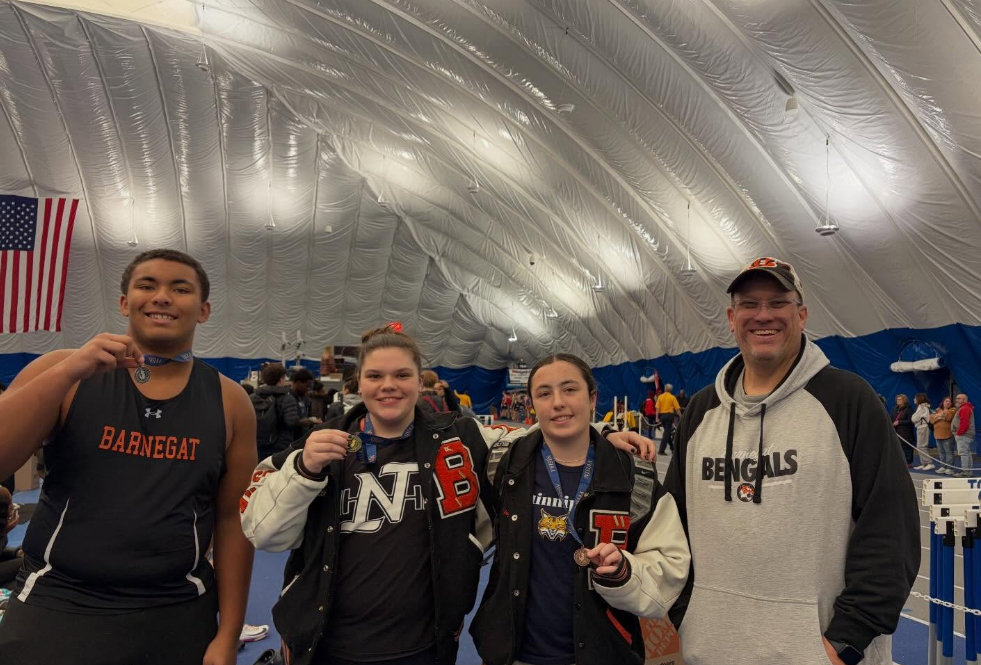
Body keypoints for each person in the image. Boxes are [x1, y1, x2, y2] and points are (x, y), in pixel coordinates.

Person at [240, 325, 655, 665]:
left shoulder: (461, 440)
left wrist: (601, 436)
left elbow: (544, 433)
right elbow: (263, 533)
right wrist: (303, 471)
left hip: (425, 645)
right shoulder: (319, 448)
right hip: (326, 643)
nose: (389, 386)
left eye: (402, 375)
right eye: (375, 376)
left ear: (420, 382)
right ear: (359, 383)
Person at [0, 248, 257, 665]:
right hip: (58, 600)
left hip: (176, 608)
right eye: (147, 285)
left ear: (204, 310)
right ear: (124, 302)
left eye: (180, 288)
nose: (162, 297)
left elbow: (233, 519)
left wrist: (228, 634)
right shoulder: (65, 370)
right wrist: (67, 373)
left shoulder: (230, 401)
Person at [664, 257, 918, 665]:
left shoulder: (849, 400)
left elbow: (892, 532)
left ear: (801, 314)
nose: (763, 315)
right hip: (709, 651)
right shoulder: (700, 411)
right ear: (732, 318)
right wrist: (687, 618)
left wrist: (843, 645)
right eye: (749, 304)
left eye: (778, 303)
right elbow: (670, 529)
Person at [470, 353, 690, 665]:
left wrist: (624, 573)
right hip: (512, 653)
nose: (558, 402)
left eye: (570, 390)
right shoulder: (505, 466)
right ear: (533, 405)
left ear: (592, 398)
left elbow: (671, 566)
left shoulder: (634, 481)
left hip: (604, 652)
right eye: (544, 393)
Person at [253, 364, 302, 461]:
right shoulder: (287, 398)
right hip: (280, 446)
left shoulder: (253, 397)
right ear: (281, 379)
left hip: (257, 444)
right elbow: (291, 422)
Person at [931, 397, 957, 475]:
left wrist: (940, 414)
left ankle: (950, 468)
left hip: (948, 435)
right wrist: (940, 416)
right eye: (946, 401)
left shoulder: (953, 410)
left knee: (948, 452)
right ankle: (943, 466)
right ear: (943, 402)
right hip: (937, 435)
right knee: (941, 452)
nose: (948, 402)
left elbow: (947, 417)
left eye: (949, 401)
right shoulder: (937, 410)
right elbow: (931, 419)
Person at [952, 393, 976, 478]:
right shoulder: (966, 408)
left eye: (959, 398)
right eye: (957, 398)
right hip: (965, 434)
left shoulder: (965, 408)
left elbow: (964, 423)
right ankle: (968, 472)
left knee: (964, 453)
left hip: (963, 435)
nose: (956, 400)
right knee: (967, 453)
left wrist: (959, 433)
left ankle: (965, 472)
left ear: (964, 400)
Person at [656, 384, 682, 455]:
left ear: (665, 389)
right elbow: (677, 408)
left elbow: (657, 408)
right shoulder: (672, 397)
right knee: (666, 433)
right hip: (669, 416)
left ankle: (672, 448)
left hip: (662, 416)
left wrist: (657, 417)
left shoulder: (660, 397)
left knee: (667, 432)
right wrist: (681, 416)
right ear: (671, 390)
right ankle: (661, 450)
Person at [911, 393, 934, 471]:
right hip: (920, 427)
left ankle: (929, 463)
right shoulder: (922, 407)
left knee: (921, 446)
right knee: (919, 446)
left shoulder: (922, 407)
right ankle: (924, 463)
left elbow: (914, 418)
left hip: (922, 427)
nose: (914, 400)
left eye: (915, 398)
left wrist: (914, 417)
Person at [892, 394, 915, 468]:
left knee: (907, 447)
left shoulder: (908, 409)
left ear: (904, 400)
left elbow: (911, 421)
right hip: (896, 432)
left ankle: (908, 462)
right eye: (897, 399)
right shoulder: (894, 409)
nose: (898, 401)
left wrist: (900, 422)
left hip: (906, 432)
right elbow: (891, 417)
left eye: (900, 399)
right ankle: (900, 461)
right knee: (898, 447)